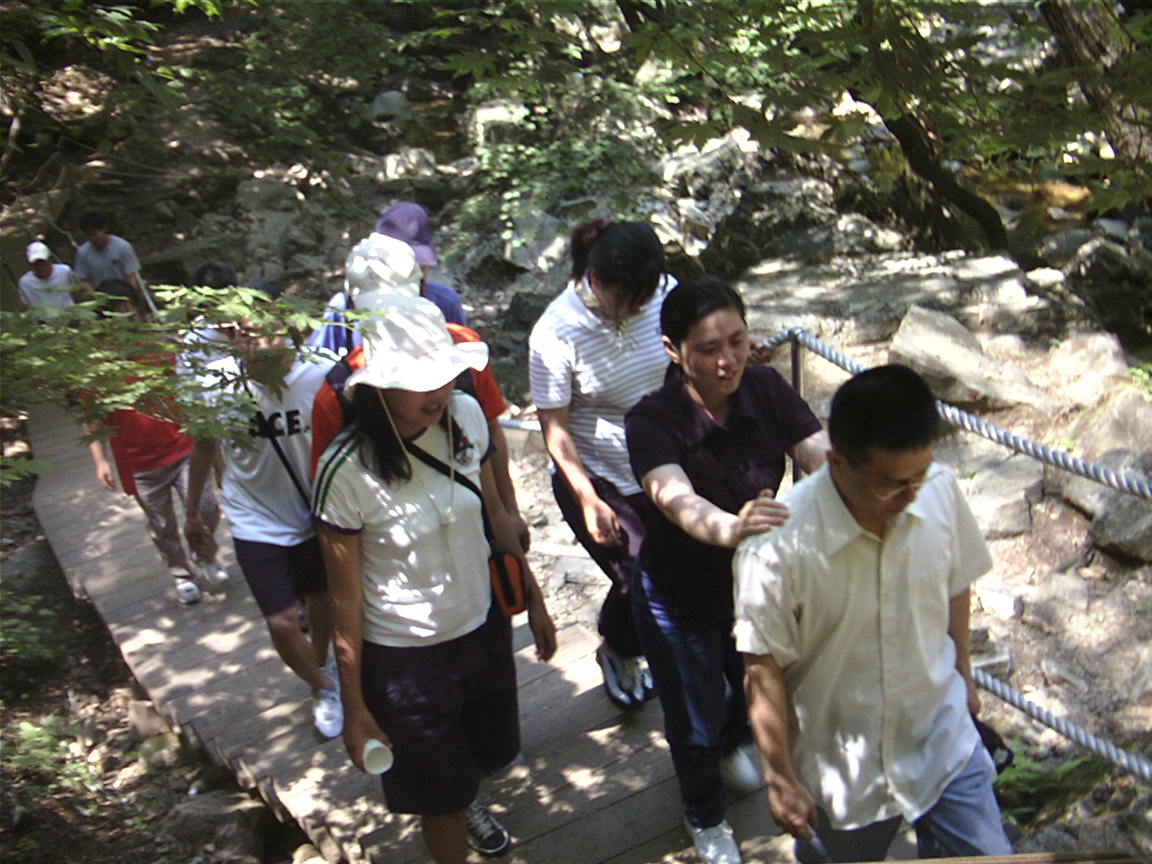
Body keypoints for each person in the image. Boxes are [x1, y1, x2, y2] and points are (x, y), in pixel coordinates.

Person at [734, 364, 1012, 862]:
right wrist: (780, 778)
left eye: (920, 475)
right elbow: (763, 667)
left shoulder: (939, 488)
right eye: (891, 483)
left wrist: (965, 674)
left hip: (941, 736)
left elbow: (956, 583)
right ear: (837, 462)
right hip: (844, 771)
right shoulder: (775, 550)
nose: (911, 496)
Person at [312, 297, 556, 863]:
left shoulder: (466, 417)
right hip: (405, 657)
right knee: (439, 800)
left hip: (480, 628)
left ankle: (466, 799)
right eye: (417, 380)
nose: (437, 391)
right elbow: (344, 598)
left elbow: (494, 514)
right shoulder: (344, 471)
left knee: (490, 756)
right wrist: (355, 706)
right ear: (379, 385)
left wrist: (534, 598)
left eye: (444, 375)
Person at [624, 277, 829, 864]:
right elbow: (675, 499)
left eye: (737, 341)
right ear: (673, 350)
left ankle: (740, 748)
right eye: (709, 349)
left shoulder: (765, 387)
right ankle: (705, 817)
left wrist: (858, 485)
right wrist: (732, 528)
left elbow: (816, 451)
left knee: (751, 689)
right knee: (694, 720)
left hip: (753, 587)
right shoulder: (651, 420)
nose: (727, 361)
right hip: (678, 595)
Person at [183, 283, 342, 740]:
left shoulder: (322, 373)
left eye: (262, 330)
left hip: (314, 509)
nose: (252, 340)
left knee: (321, 599)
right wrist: (193, 513)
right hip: (253, 516)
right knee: (280, 620)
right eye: (241, 332)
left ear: (288, 329)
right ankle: (324, 686)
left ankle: (325, 666)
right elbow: (203, 446)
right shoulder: (217, 383)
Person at [529, 218, 673, 709]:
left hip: (665, 460)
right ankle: (620, 648)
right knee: (641, 578)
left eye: (646, 295)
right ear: (596, 279)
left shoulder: (664, 293)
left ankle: (644, 646)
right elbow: (555, 428)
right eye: (629, 298)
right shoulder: (556, 333)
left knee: (678, 567)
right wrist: (587, 498)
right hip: (599, 475)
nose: (639, 307)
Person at [309, 233, 530, 548]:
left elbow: (491, 431)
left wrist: (509, 511)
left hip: (472, 526)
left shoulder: (462, 350)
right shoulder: (337, 391)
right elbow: (330, 494)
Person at [83, 279, 229, 606]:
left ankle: (205, 556)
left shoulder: (164, 349)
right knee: (162, 524)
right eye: (116, 310)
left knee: (206, 508)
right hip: (140, 462)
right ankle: (182, 573)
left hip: (184, 448)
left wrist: (218, 460)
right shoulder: (98, 368)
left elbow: (196, 406)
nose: (126, 314)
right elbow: (91, 415)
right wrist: (100, 460)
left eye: (128, 306)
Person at [375, 201, 467, 326]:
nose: (411, 272)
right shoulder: (351, 303)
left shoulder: (445, 302)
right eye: (401, 263)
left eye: (419, 264)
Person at [73, 211, 144, 305]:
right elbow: (83, 279)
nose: (92, 239)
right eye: (89, 235)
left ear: (104, 229)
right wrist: (95, 297)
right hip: (101, 296)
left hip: (123, 295)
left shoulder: (123, 247)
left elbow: (132, 276)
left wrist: (129, 298)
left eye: (94, 234)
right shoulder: (82, 253)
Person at [17, 241, 76, 315]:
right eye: (36, 264)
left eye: (43, 262)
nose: (40, 267)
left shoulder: (65, 271)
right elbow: (25, 305)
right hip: (43, 320)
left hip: (69, 315)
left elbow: (75, 288)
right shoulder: (25, 282)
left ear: (49, 259)